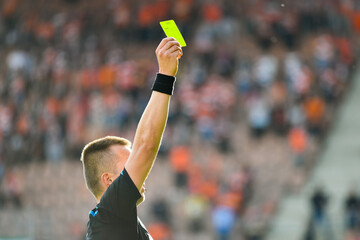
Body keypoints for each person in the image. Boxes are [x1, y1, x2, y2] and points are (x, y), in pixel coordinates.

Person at [80, 37, 183, 240]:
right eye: (128, 163)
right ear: (108, 179)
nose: (137, 166)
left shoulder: (116, 219)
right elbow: (146, 145)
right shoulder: (110, 213)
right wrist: (165, 76)